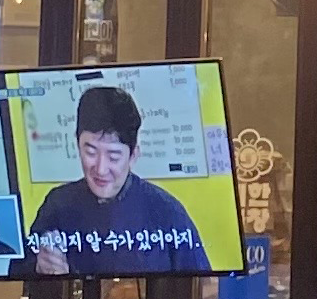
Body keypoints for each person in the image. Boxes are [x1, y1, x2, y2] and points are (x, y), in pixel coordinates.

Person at [26, 85, 211, 275]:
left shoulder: (167, 212)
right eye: (90, 152)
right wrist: (39, 267)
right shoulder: (57, 205)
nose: (100, 169)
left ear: (133, 155)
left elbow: (202, 283)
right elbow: (18, 272)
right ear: (77, 144)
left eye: (113, 156)